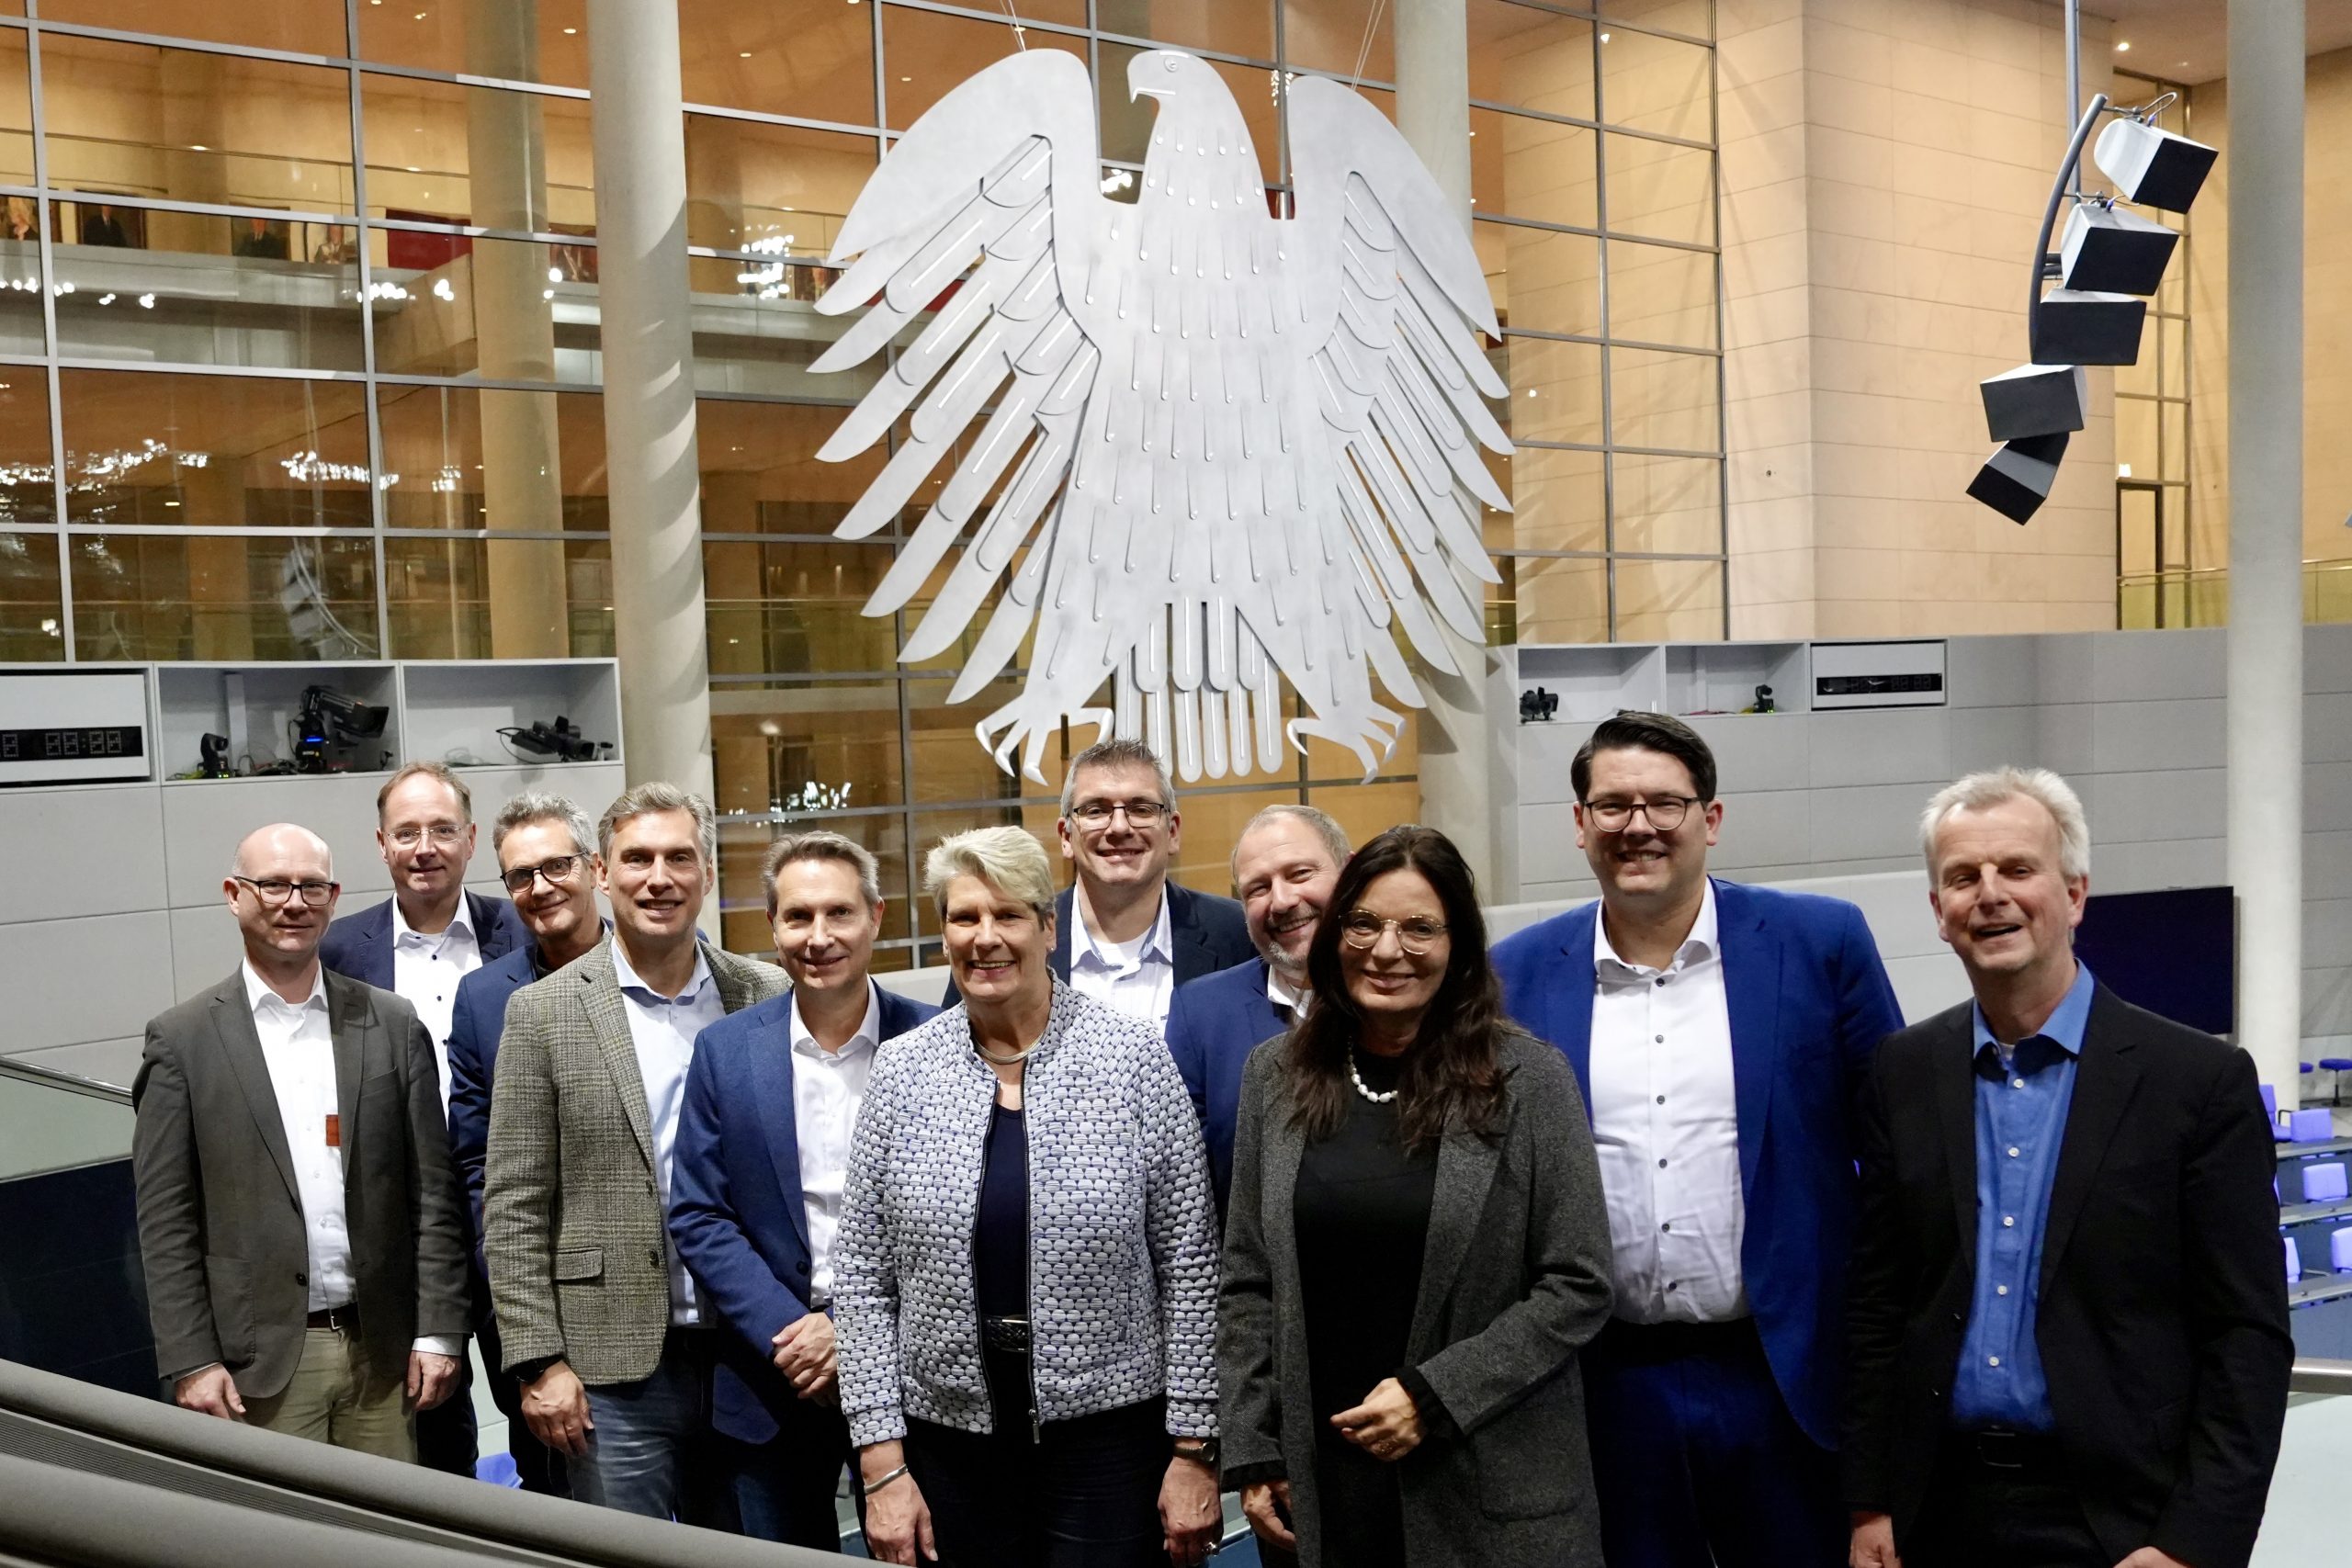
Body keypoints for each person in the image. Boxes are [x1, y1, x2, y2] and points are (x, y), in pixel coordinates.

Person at [1846, 768, 2291, 1568]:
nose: (1990, 893)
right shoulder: (1903, 1071)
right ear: (1938, 913)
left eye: (2018, 868)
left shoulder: (2195, 1082)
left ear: (2076, 894)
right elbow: (1882, 1301)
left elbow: (2248, 1336)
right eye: (1962, 877)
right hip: (1934, 1512)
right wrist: (1871, 1498)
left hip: (2123, 1522)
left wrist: (2194, 1541)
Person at [1488, 710, 1903, 1568]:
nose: (1637, 825)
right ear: (1579, 824)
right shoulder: (1516, 975)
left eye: (1664, 804)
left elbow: (1899, 1166)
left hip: (1784, 1374)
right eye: (1611, 805)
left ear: (1710, 819)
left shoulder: (1821, 944)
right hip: (1605, 1381)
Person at [1217, 824, 1615, 1568]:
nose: (1387, 949)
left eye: (1419, 927)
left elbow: (1579, 1282)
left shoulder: (1528, 1080)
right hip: (1324, 1484)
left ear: (1459, 944)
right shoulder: (1273, 1077)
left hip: (1483, 1472)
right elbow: (1247, 1278)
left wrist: (1435, 1396)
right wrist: (1253, 1447)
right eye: (1364, 923)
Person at [835, 826, 1222, 1568]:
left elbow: (1193, 1267)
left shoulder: (1132, 1058)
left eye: (1008, 914)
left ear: (1049, 927)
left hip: (1112, 1441)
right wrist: (881, 1465)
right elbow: (860, 1282)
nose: (985, 938)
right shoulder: (902, 1069)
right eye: (963, 916)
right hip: (946, 1442)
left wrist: (1195, 1449)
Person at [483, 784, 788, 1522]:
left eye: (680, 857)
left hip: (747, 1355)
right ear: (602, 869)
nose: (660, 877)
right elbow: (513, 1203)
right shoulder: (542, 1012)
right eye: (638, 857)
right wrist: (539, 1362)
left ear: (708, 874)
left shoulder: (764, 993)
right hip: (607, 1368)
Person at [131, 824, 468, 1460]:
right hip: (258, 1358)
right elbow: (166, 1221)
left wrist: (440, 1329)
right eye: (273, 884)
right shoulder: (182, 1042)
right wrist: (191, 1359)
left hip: (386, 1351)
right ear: (235, 894)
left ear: (333, 896)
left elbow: (433, 1195)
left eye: (311, 886)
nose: (293, 901)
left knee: (389, 1540)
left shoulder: (391, 1025)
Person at [671, 831, 940, 1549]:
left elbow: (956, 1218)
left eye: (838, 913)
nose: (818, 936)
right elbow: (698, 1212)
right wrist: (792, 1333)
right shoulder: (726, 1050)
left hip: (912, 1371)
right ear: (773, 926)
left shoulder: (939, 1044)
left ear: (876, 917)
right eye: (797, 917)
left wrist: (849, 1329)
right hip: (772, 1373)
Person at [321, 759, 528, 1476]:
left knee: (543, 1421)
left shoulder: (524, 936)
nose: (425, 847)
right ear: (381, 844)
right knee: (433, 1433)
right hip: (405, 1229)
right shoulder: (340, 952)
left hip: (512, 1214)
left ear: (471, 839)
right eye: (406, 832)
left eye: (442, 829)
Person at [444, 790, 608, 1497]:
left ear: (596, 868)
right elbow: (478, 1165)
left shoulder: (659, 969)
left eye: (556, 866)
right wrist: (523, 1320)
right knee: (558, 1503)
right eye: (519, 875)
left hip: (663, 1302)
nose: (539, 888)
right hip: (538, 1300)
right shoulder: (485, 998)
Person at [1164, 804, 1351, 1215]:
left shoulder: (1400, 993)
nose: (1282, 900)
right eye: (1258, 888)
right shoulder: (1201, 1014)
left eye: (1300, 874)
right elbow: (1183, 1195)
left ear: (1351, 873)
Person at [1049, 738, 1253, 1027]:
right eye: (1096, 810)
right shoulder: (1019, 940)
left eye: (1141, 809)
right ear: (1066, 837)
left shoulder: (1239, 935)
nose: (1119, 827)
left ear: (1172, 832)